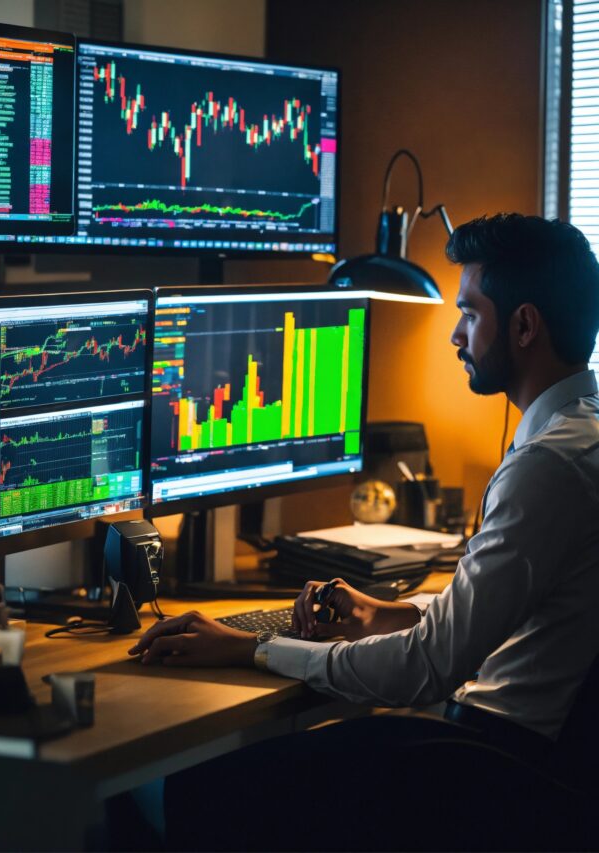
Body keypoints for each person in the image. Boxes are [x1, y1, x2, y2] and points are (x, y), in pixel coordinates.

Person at [127, 214, 599, 851]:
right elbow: (503, 613)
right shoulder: (581, 435)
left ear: (523, 325)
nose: (456, 336)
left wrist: (250, 649)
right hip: (528, 763)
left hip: (490, 770)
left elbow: (426, 670)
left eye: (469, 313)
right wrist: (385, 612)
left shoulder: (547, 466)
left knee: (178, 790)